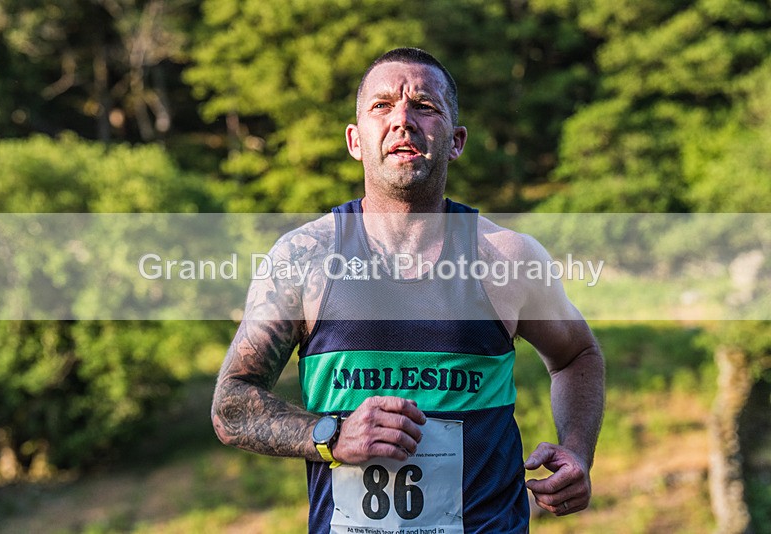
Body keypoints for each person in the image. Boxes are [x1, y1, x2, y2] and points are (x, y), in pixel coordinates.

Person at [212, 47, 605, 533]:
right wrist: (330, 437)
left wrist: (577, 450)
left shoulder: (506, 258)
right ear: (355, 141)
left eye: (424, 106)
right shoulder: (303, 259)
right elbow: (231, 404)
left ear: (456, 140)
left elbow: (577, 356)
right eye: (382, 106)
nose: (402, 120)